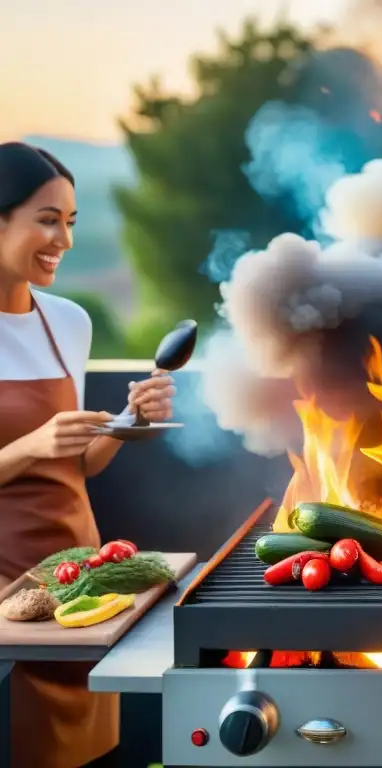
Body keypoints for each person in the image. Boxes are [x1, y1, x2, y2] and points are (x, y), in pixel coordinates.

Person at [0, 142, 175, 768]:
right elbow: (40, 451)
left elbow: (78, 465)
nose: (64, 241)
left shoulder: (69, 322)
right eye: (47, 219)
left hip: (82, 577)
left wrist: (130, 420)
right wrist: (30, 444)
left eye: (71, 222)